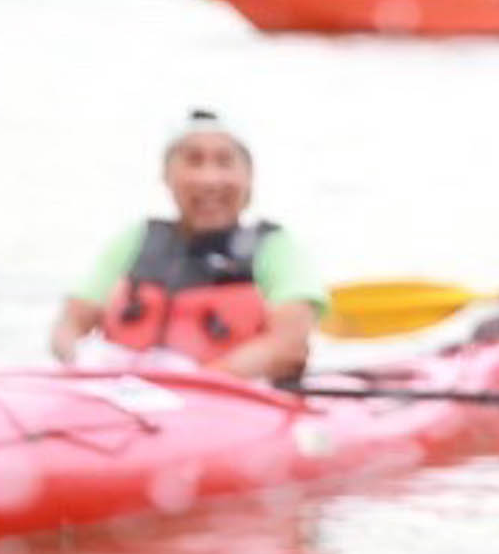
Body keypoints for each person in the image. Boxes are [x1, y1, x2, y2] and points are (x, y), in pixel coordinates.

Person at [48, 110, 324, 383]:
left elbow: (288, 345)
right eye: (193, 161)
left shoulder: (277, 249)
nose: (209, 180)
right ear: (167, 176)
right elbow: (70, 324)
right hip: (127, 401)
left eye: (225, 162)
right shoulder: (135, 240)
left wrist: (193, 385)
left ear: (249, 177)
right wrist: (80, 364)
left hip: (226, 405)